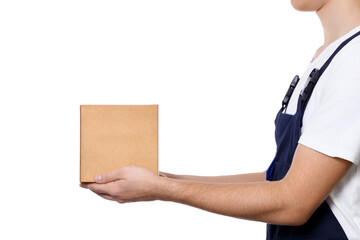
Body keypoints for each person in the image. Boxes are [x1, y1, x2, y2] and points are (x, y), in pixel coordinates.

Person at [80, 0, 360, 239]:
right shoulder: (328, 58)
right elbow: (279, 179)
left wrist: (163, 189)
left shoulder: (354, 62)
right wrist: (165, 179)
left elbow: (294, 202)